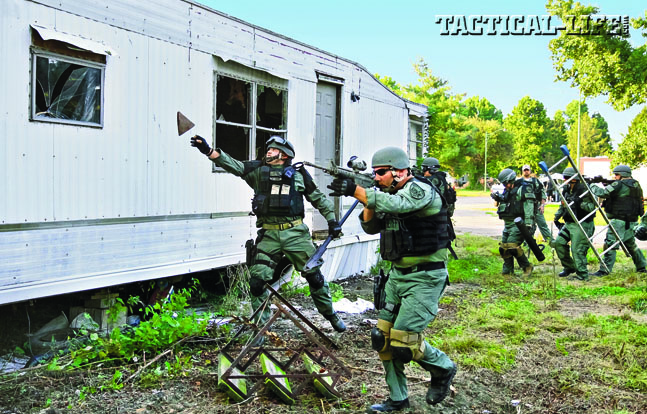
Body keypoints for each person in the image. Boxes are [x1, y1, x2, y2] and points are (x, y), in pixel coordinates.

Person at [327, 147, 456, 412]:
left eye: (381, 173)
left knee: (404, 342)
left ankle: (443, 368)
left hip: (424, 277)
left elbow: (400, 205)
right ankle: (398, 398)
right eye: (373, 173)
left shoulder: (420, 190)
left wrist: (358, 191)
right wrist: (365, 199)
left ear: (399, 172)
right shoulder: (385, 194)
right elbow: (370, 227)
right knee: (382, 339)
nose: (376, 178)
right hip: (396, 276)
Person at [189, 134, 347, 333]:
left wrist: (332, 221)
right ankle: (261, 331)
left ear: (283, 154)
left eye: (272, 149)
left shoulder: (299, 175)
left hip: (296, 234)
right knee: (256, 284)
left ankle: (330, 315)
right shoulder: (257, 171)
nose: (268, 152)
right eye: (268, 149)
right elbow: (234, 165)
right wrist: (208, 150)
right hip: (269, 236)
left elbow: (319, 199)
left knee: (315, 277)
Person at [589, 165, 646, 276]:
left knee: (610, 245)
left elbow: (603, 193)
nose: (615, 177)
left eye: (617, 175)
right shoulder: (636, 184)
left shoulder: (618, 184)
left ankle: (604, 270)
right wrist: (606, 182)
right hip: (632, 220)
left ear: (622, 174)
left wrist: (591, 185)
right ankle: (641, 266)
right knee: (631, 245)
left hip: (619, 221)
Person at [553, 167, 596, 281]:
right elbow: (563, 205)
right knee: (559, 243)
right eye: (564, 177)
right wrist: (556, 217)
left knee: (577, 249)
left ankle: (582, 274)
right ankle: (569, 267)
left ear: (574, 179)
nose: (565, 180)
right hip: (569, 223)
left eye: (567, 178)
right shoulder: (566, 190)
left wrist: (580, 203)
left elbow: (592, 207)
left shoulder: (584, 190)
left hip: (582, 223)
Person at [492, 168, 535, 276]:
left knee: (512, 246)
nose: (505, 186)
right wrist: (498, 198)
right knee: (503, 248)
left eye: (506, 183)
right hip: (508, 223)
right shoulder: (508, 190)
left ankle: (527, 266)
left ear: (511, 180)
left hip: (520, 223)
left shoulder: (524, 188)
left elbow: (529, 206)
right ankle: (508, 270)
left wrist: (528, 224)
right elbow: (508, 201)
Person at [520, 165, 554, 244]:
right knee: (527, 227)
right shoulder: (519, 182)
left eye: (527, 170)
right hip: (525, 208)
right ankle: (527, 244)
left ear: (530, 171)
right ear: (522, 171)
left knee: (543, 225)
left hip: (536, 206)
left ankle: (551, 242)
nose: (526, 171)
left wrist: (542, 205)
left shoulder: (536, 181)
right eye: (525, 170)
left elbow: (542, 193)